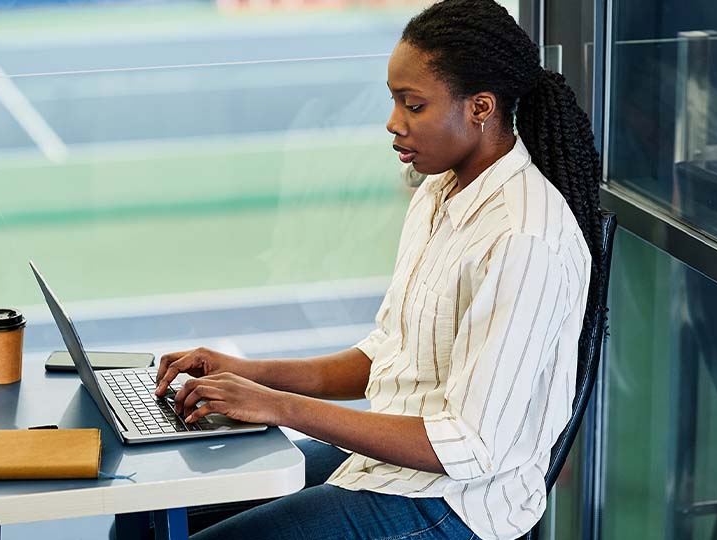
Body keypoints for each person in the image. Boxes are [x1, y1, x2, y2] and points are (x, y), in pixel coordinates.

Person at [152, 1, 606, 538]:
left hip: (454, 503)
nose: (394, 123)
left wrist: (278, 407)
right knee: (156, 513)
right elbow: (386, 355)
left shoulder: (523, 240)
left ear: (480, 107)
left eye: (412, 105)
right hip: (393, 467)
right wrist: (249, 373)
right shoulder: (440, 193)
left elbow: (469, 445)